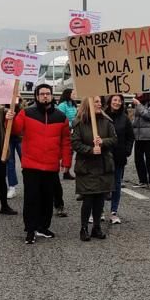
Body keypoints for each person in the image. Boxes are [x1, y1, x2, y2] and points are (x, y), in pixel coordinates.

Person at [7, 84, 72, 244]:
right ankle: (30, 229)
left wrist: (67, 161)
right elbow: (15, 130)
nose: (45, 96)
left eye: (47, 94)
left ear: (52, 96)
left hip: (51, 165)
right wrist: (9, 118)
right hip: (31, 164)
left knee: (47, 198)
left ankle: (43, 227)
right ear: (36, 96)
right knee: (31, 198)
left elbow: (66, 141)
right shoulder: (26, 113)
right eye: (41, 94)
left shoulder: (61, 116)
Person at [70, 96, 117, 240]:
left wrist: (102, 142)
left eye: (99, 102)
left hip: (103, 165)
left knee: (100, 198)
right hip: (87, 167)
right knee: (88, 199)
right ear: (88, 104)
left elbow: (114, 139)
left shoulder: (106, 121)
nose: (99, 104)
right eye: (96, 101)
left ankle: (97, 227)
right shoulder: (79, 123)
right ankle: (84, 228)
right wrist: (90, 150)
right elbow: (75, 143)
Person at [104, 94, 135, 224]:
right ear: (110, 101)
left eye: (119, 101)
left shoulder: (125, 118)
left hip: (119, 156)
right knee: (102, 184)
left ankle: (113, 211)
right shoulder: (102, 116)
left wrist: (127, 151)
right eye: (115, 100)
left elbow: (130, 136)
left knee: (116, 184)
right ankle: (99, 211)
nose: (117, 102)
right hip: (104, 156)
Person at [131, 92, 150, 188]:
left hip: (149, 134)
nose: (137, 92)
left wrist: (139, 105)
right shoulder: (139, 101)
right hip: (138, 135)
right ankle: (142, 180)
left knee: (149, 158)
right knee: (138, 159)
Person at [57, 88, 78, 180]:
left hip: (73, 131)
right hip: (65, 131)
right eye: (73, 93)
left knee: (70, 152)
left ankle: (66, 171)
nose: (75, 95)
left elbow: (75, 117)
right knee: (62, 152)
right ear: (68, 94)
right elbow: (60, 119)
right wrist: (71, 124)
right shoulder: (62, 105)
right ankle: (56, 170)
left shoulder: (73, 105)